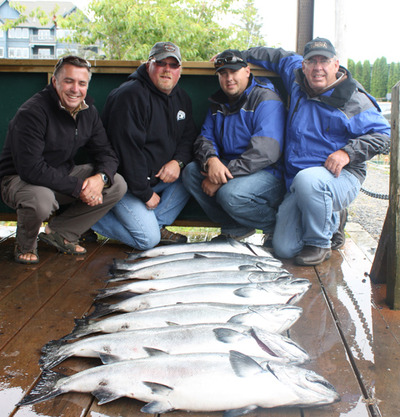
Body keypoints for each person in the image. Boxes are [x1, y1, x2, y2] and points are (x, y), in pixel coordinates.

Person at [240, 38, 390, 265]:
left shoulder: (353, 98)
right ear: (304, 66)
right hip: (297, 183)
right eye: (312, 61)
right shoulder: (297, 80)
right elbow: (277, 56)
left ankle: (319, 243)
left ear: (336, 65)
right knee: (284, 248)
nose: (318, 67)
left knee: (309, 180)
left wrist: (347, 153)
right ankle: (329, 217)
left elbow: (385, 135)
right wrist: (239, 55)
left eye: (324, 61)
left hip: (340, 176)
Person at [0, 55, 127, 264]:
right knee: (41, 199)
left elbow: (106, 153)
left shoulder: (88, 112)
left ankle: (61, 232)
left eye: (81, 83)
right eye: (69, 81)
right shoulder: (33, 112)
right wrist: (78, 188)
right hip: (18, 180)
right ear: (55, 81)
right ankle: (25, 245)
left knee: (117, 183)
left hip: (60, 174)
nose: (75, 89)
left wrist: (101, 178)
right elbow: (31, 169)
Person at [92, 41, 197, 250]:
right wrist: (145, 194)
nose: (167, 70)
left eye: (173, 65)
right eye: (161, 63)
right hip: (126, 185)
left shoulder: (181, 97)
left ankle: (154, 225)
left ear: (180, 70)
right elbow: (127, 154)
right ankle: (89, 219)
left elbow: (189, 137)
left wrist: (178, 162)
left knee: (192, 173)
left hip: (157, 178)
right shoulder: (129, 96)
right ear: (149, 64)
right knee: (148, 241)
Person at [182, 49, 286, 241]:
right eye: (223, 73)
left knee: (230, 194)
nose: (229, 78)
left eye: (234, 71)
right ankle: (236, 227)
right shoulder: (218, 102)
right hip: (232, 170)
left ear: (247, 71)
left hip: (268, 172)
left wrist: (221, 177)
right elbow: (204, 138)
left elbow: (265, 152)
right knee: (191, 172)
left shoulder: (266, 98)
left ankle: (278, 225)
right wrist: (211, 160)